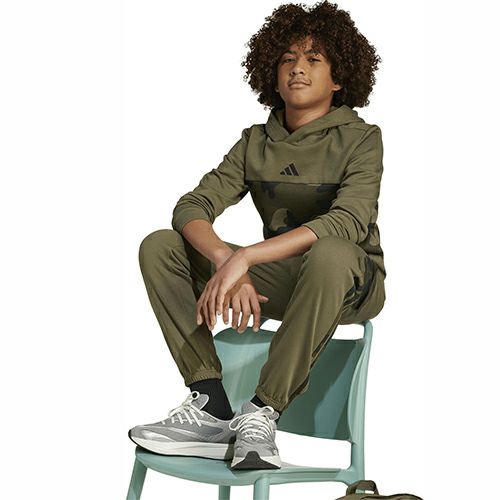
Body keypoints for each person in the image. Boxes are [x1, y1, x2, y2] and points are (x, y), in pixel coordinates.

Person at [128, 0, 386, 471]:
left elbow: (348, 221)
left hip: (349, 282)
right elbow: (192, 207)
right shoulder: (255, 141)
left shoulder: (361, 138)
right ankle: (210, 403)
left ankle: (263, 411)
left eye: (313, 59)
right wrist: (227, 260)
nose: (298, 69)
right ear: (273, 72)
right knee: (161, 246)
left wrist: (245, 257)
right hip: (283, 280)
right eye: (287, 59)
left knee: (330, 252)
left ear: (339, 78)